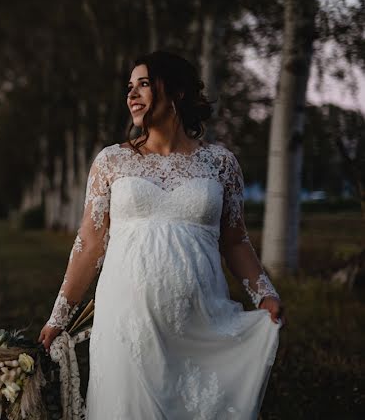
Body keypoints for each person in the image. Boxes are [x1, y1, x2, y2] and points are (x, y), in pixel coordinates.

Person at [38, 51, 284, 419]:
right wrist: (59, 317)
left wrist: (265, 294)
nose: (132, 95)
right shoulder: (111, 162)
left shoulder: (220, 164)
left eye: (144, 84)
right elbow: (90, 245)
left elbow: (234, 241)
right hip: (125, 323)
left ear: (177, 93)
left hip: (200, 321)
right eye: (129, 87)